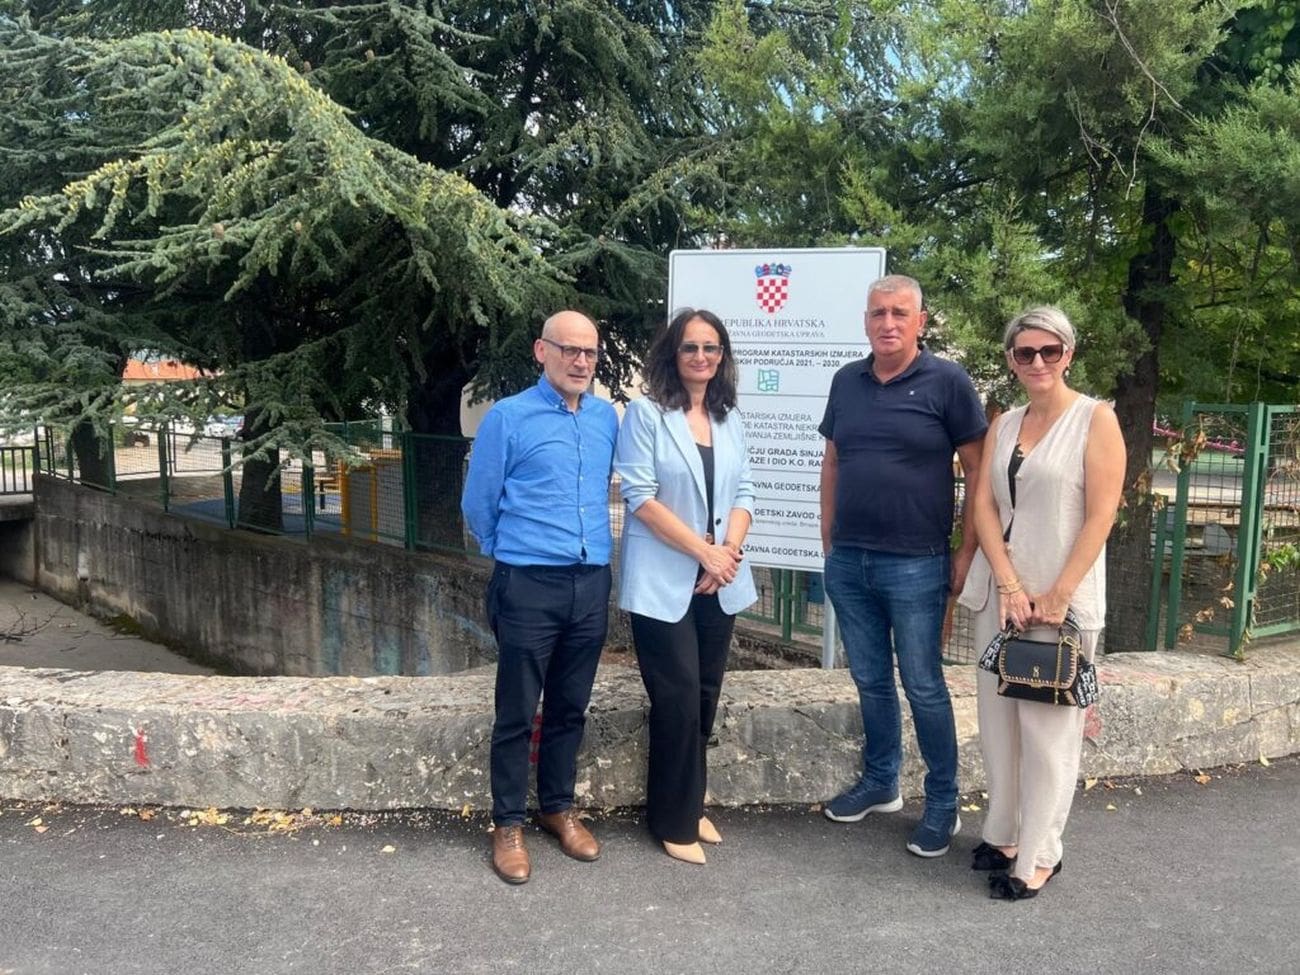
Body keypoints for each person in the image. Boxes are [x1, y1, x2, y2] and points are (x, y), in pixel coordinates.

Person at [958, 306, 1124, 899]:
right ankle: (1004, 833)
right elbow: (983, 505)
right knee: (999, 721)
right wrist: (1007, 583)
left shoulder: (1095, 420)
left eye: (1049, 350)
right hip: (1002, 595)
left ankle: (1040, 854)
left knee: (1049, 730)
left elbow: (1101, 515)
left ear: (1068, 354)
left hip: (1060, 603)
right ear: (1011, 359)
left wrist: (1057, 594)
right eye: (1025, 352)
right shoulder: (1004, 423)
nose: (1037, 361)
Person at [819, 274, 987, 857]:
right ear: (866, 321)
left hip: (917, 563)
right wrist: (828, 541)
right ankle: (881, 782)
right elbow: (833, 461)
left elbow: (978, 471)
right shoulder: (846, 381)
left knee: (923, 685)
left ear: (920, 321)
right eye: (877, 313)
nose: (887, 323)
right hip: (850, 561)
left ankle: (942, 804)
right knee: (870, 679)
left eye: (898, 313)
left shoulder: (948, 381)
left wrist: (966, 550)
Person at [460, 310, 619, 885]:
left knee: (571, 706)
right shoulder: (508, 417)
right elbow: (478, 502)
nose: (581, 361)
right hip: (528, 583)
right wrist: (513, 553)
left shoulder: (605, 418)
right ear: (541, 351)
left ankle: (557, 808)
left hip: (590, 582)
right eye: (569, 349)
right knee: (517, 710)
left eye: (590, 352)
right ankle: (507, 823)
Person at [615, 308, 757, 865]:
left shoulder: (729, 417)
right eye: (691, 347)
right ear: (672, 355)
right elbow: (640, 497)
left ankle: (691, 804)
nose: (701, 357)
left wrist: (726, 555)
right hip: (664, 580)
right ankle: (672, 822)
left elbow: (744, 491)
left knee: (704, 694)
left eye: (711, 348)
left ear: (722, 357)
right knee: (675, 699)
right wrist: (704, 552)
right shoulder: (647, 414)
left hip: (720, 579)